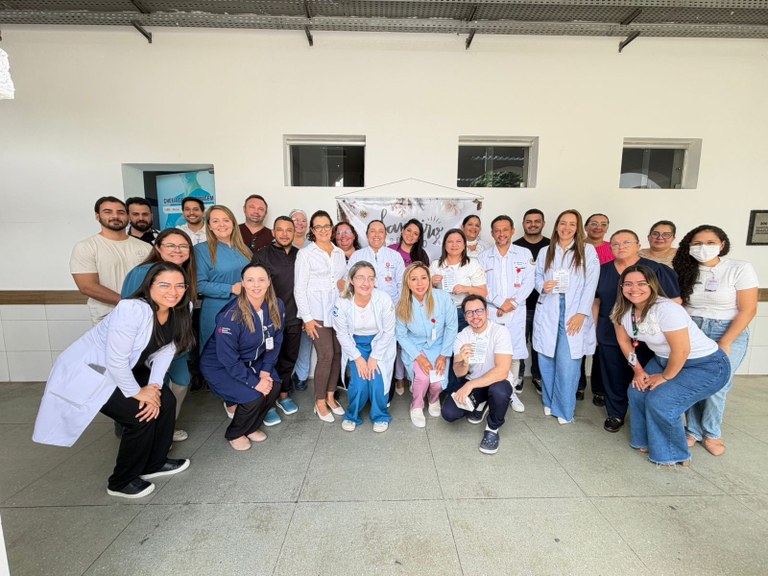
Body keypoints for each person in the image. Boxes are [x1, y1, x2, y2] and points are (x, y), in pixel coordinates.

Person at [33, 262, 195, 498]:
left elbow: (167, 349)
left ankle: (154, 464)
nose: (173, 291)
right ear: (149, 285)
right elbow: (115, 359)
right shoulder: (132, 309)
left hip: (129, 368)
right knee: (138, 414)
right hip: (95, 371)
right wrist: (138, 394)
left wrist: (155, 387)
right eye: (165, 285)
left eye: (180, 285)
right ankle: (121, 481)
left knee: (166, 401)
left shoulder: (182, 307)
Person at [613, 265, 730, 466]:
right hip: (663, 360)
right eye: (628, 284)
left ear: (652, 285)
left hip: (704, 365)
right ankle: (645, 440)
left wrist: (665, 377)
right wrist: (638, 371)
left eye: (642, 283)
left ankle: (673, 454)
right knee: (637, 391)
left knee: (662, 401)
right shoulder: (622, 309)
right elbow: (624, 342)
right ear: (621, 286)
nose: (635, 289)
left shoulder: (666, 309)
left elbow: (681, 351)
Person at [673, 225, 758, 456]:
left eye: (710, 243)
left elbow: (748, 309)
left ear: (722, 245)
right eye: (697, 243)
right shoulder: (684, 270)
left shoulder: (739, 268)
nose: (704, 248)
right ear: (689, 246)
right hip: (693, 330)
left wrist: (726, 341)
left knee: (718, 385)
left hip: (727, 329)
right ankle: (693, 430)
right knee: (691, 382)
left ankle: (711, 432)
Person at [593, 230, 680, 434]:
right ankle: (615, 413)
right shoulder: (601, 271)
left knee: (645, 374)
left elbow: (675, 301)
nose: (620, 247)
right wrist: (594, 330)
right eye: (615, 244)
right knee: (613, 375)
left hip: (648, 334)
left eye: (626, 242)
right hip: (610, 331)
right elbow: (596, 301)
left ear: (638, 245)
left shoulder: (656, 270)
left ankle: (645, 416)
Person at [121, 228, 199, 442]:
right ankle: (151, 434)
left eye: (183, 246)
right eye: (171, 245)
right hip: (149, 346)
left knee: (182, 382)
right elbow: (127, 310)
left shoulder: (184, 273)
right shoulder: (143, 272)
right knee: (155, 387)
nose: (178, 250)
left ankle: (166, 428)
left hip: (173, 344)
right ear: (157, 247)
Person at [200, 264, 284, 451]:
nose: (256, 285)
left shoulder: (277, 305)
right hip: (220, 366)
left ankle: (251, 426)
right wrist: (255, 383)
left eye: (261, 279)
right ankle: (236, 432)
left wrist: (265, 370)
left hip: (253, 360)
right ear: (242, 284)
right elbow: (228, 359)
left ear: (269, 282)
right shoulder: (231, 315)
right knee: (253, 396)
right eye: (250, 280)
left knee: (274, 384)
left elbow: (276, 339)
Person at [533, 209, 599, 425]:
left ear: (578, 228)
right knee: (547, 358)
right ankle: (549, 401)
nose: (566, 227)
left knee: (568, 363)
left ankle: (564, 409)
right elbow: (537, 278)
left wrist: (582, 313)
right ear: (556, 225)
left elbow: (591, 284)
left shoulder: (586, 250)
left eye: (572, 224)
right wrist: (543, 286)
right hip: (550, 308)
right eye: (563, 223)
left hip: (573, 313)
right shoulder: (546, 251)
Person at [442, 295, 513, 455]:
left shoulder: (500, 332)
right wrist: (464, 362)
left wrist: (470, 385)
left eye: (479, 310)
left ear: (487, 312)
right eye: (469, 313)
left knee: (499, 392)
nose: (475, 316)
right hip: (474, 381)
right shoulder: (462, 336)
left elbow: (502, 370)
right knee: (449, 413)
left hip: (497, 382)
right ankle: (482, 401)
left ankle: (493, 428)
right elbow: (458, 372)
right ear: (465, 317)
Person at [294, 210, 347, 422]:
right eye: (318, 227)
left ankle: (331, 396)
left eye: (327, 226)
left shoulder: (339, 253)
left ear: (332, 228)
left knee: (337, 355)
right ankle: (319, 402)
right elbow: (299, 289)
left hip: (338, 314)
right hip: (316, 315)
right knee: (325, 356)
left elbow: (341, 284)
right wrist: (306, 318)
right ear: (312, 231)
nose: (323, 230)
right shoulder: (306, 254)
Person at [478, 215, 534, 413]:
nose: (501, 234)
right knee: (491, 351)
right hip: (493, 311)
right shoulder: (484, 257)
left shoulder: (524, 254)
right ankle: (488, 391)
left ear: (512, 231)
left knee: (514, 350)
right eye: (497, 230)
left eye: (505, 230)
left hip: (516, 311)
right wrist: (501, 303)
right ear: (492, 233)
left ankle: (510, 393)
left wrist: (513, 303)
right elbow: (482, 285)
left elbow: (529, 282)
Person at [333, 262, 397, 432]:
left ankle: (380, 415)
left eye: (370, 278)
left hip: (380, 343)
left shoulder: (383, 298)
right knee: (360, 382)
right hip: (356, 345)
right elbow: (342, 334)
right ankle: (352, 415)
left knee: (377, 381)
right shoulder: (342, 302)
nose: (366, 283)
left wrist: (374, 357)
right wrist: (358, 358)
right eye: (360, 277)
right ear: (352, 280)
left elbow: (389, 332)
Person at [70, 196, 151, 325]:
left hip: (143, 315)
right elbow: (87, 287)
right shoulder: (86, 247)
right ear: (98, 216)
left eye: (121, 212)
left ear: (128, 216)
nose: (115, 216)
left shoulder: (145, 247)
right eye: (108, 212)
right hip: (107, 318)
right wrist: (127, 303)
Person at [252, 216, 302, 426]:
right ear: (273, 232)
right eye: (279, 230)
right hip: (270, 319)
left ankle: (283, 395)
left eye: (288, 230)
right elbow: (253, 285)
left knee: (289, 359)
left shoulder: (301, 255)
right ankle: (268, 403)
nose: (284, 234)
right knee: (268, 361)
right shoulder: (263, 255)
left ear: (294, 232)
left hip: (294, 317)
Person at [395, 263, 458, 428]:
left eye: (423, 278)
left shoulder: (442, 298)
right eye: (414, 279)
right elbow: (401, 335)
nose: (420, 283)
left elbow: (452, 327)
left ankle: (434, 399)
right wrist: (418, 357)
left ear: (429, 280)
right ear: (407, 282)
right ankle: (416, 406)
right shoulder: (403, 304)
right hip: (416, 348)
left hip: (439, 347)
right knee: (423, 377)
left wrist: (444, 355)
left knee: (436, 382)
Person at [347, 220, 406, 394]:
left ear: (386, 235)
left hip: (389, 311)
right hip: (363, 312)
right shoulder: (357, 256)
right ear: (367, 234)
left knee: (388, 351)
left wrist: (397, 309)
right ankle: (365, 387)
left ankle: (386, 389)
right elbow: (349, 284)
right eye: (373, 231)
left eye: (381, 231)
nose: (377, 235)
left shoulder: (394, 256)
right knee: (365, 350)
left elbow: (402, 285)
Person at [194, 205, 252, 355]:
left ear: (233, 223)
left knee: (240, 353)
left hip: (244, 308)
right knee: (216, 354)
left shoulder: (244, 249)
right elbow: (199, 285)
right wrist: (230, 289)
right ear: (210, 226)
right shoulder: (201, 250)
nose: (222, 224)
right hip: (217, 310)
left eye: (226, 220)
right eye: (216, 221)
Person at [513, 209, 550, 394]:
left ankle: (537, 376)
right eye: (529, 221)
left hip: (546, 305)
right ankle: (518, 375)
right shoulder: (515, 247)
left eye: (537, 221)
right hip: (521, 305)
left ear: (543, 223)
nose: (533, 224)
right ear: (523, 224)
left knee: (540, 343)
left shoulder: (551, 247)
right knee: (519, 341)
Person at [578, 213, 612, 403]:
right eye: (593, 224)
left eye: (603, 224)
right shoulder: (578, 247)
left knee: (602, 346)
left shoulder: (612, 248)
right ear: (586, 227)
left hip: (607, 301)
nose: (598, 227)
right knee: (580, 345)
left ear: (607, 228)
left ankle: (599, 389)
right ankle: (579, 385)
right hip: (584, 302)